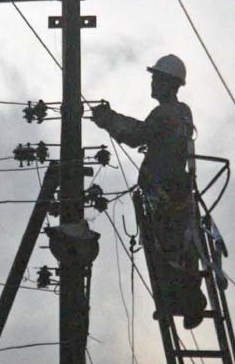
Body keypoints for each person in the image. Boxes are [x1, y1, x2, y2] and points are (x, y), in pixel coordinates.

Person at [91, 54, 206, 329]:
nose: (152, 83)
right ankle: (188, 303)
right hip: (177, 191)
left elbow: (137, 134)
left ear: (169, 84)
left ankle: (182, 303)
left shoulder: (166, 114)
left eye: (156, 79)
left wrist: (108, 118)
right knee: (179, 250)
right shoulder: (182, 112)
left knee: (166, 251)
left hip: (165, 194)